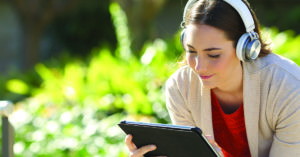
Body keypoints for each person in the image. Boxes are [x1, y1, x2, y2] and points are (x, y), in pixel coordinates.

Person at [125, 0, 300, 156]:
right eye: (192, 51)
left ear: (246, 48)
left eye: (214, 55)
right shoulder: (180, 87)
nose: (198, 67)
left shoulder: (289, 88)